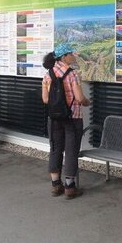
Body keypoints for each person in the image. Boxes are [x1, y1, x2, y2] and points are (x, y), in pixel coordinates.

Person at [41, 43, 90, 199]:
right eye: (71, 54)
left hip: (54, 118)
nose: (74, 56)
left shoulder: (48, 74)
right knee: (71, 151)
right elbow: (80, 98)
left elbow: (45, 99)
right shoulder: (72, 74)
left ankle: (56, 185)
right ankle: (70, 187)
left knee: (55, 149)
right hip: (72, 118)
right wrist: (87, 102)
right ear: (64, 56)